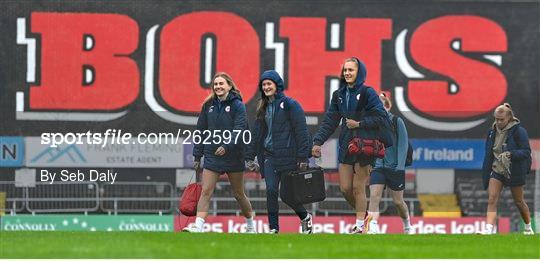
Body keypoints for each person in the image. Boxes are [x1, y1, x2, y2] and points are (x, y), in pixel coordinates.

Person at [312, 57, 391, 233]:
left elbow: (382, 117)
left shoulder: (368, 92)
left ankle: (359, 226)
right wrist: (318, 142)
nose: (347, 73)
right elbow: (330, 121)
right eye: (345, 70)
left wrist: (359, 123)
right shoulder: (338, 95)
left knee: (358, 186)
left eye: (351, 70)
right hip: (346, 145)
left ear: (359, 72)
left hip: (366, 146)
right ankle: (365, 217)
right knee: (345, 188)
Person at [183, 72, 256, 233]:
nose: (218, 87)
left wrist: (227, 146)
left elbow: (240, 129)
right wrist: (197, 155)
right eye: (215, 84)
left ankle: (251, 225)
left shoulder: (238, 105)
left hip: (233, 156)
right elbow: (200, 131)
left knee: (239, 194)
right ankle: (198, 226)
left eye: (221, 84)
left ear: (229, 86)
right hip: (212, 155)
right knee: (206, 191)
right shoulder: (208, 105)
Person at [245, 70, 313, 234]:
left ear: (277, 85)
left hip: (288, 157)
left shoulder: (291, 104)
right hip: (269, 157)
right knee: (271, 190)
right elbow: (256, 135)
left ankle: (305, 217)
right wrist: (249, 156)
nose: (266, 87)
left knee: (286, 195)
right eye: (264, 84)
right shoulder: (263, 108)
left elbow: (301, 131)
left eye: (269, 84)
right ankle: (273, 228)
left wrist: (303, 157)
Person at [481, 103, 534, 235]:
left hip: (514, 171)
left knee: (519, 201)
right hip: (497, 169)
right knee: (492, 199)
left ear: (509, 118)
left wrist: (511, 154)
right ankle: (488, 229)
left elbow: (526, 152)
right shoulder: (491, 131)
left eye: (501, 119)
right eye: (496, 119)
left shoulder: (519, 131)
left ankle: (528, 227)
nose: (498, 122)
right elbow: (489, 152)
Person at [365, 93, 412, 234]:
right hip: (378, 167)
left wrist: (399, 167)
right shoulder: (372, 123)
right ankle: (372, 226)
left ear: (387, 106)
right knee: (374, 196)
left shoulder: (397, 121)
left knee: (398, 202)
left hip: (395, 168)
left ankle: (407, 225)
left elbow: (403, 145)